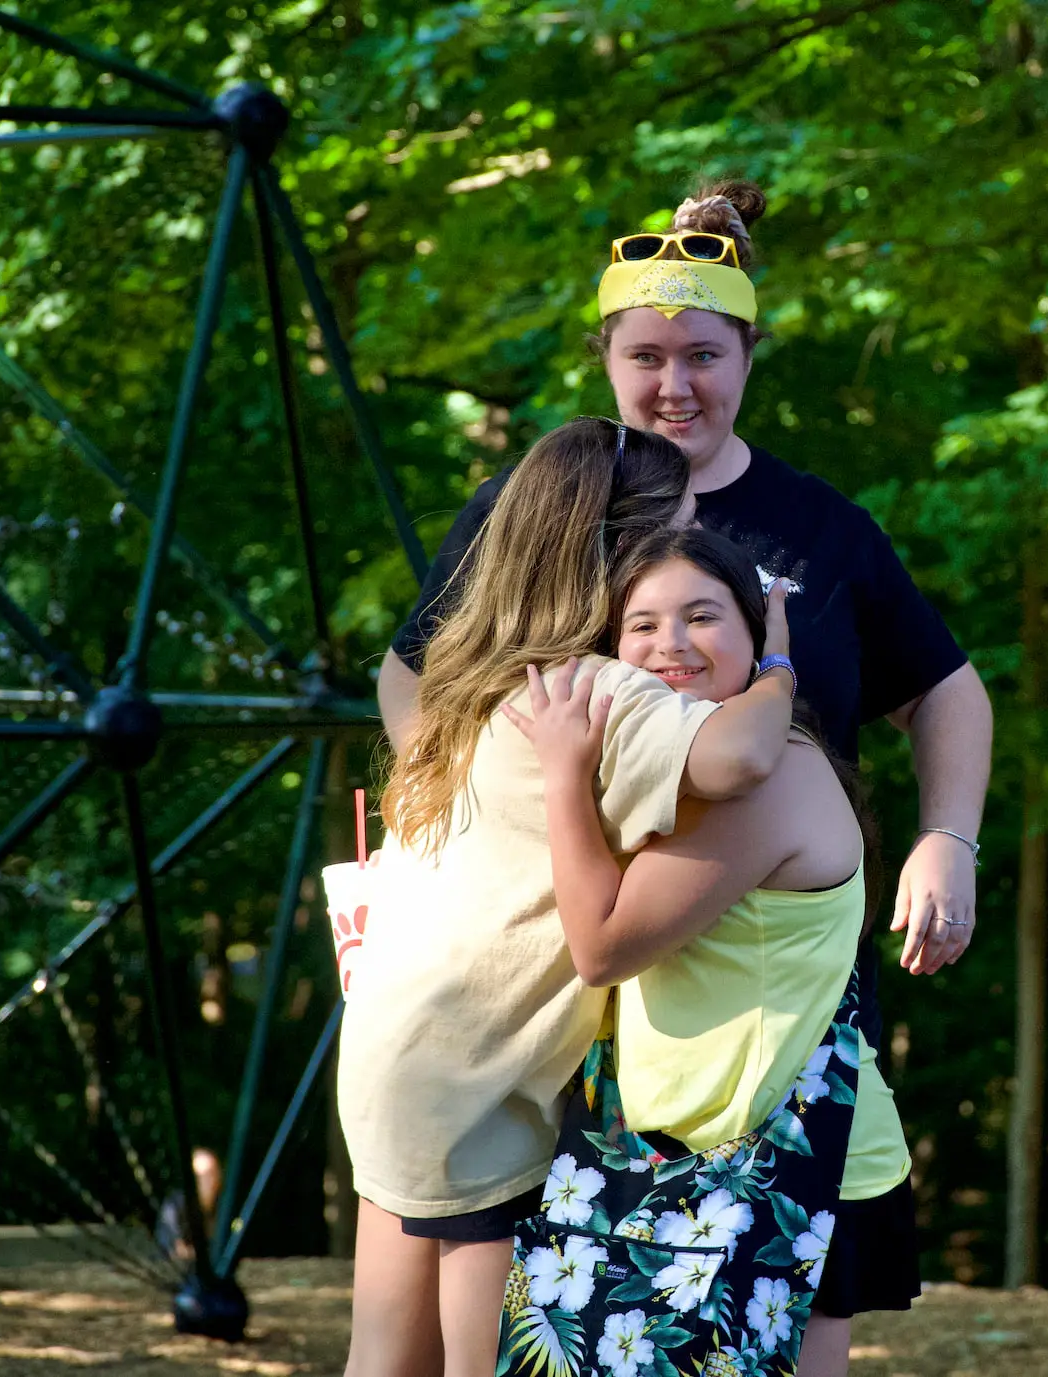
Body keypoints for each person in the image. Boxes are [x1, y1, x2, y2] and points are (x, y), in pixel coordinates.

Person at [376, 180, 992, 1035]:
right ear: (606, 359)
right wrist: (453, 834)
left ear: (747, 356)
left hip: (784, 992)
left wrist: (947, 841)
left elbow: (945, 689)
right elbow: (415, 676)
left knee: (816, 1172)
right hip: (577, 991)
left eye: (704, 355)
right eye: (646, 358)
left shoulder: (824, 529)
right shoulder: (536, 509)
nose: (676, 386)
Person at [335, 417, 798, 1377]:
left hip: (396, 1052)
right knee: (489, 1362)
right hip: (482, 1085)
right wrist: (778, 658)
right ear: (617, 552)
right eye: (671, 530)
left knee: (381, 1355)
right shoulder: (593, 694)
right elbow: (746, 757)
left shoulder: (473, 668)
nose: (684, 551)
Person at [504, 528, 917, 1377]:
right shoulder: (709, 764)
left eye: (702, 615)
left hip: (791, 1158)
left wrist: (562, 772)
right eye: (642, 625)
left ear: (760, 633)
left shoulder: (768, 778)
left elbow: (603, 946)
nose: (671, 644)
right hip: (701, 1143)